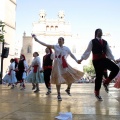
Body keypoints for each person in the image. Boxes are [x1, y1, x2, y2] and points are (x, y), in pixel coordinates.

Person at [32, 34, 84, 101]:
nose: (59, 40)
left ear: (63, 41)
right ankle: (59, 94)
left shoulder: (66, 48)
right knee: (58, 80)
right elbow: (45, 44)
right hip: (57, 64)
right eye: (58, 39)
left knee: (72, 75)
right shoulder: (55, 46)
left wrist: (77, 60)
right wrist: (37, 40)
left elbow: (71, 55)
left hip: (64, 64)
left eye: (61, 39)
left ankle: (68, 89)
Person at [78, 28, 119, 101]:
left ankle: (106, 82)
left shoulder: (105, 42)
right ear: (96, 33)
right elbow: (87, 51)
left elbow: (109, 52)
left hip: (104, 59)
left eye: (102, 31)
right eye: (99, 31)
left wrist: (113, 59)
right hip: (96, 61)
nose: (101, 32)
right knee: (99, 76)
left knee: (116, 68)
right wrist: (81, 59)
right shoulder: (92, 41)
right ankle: (97, 93)